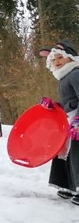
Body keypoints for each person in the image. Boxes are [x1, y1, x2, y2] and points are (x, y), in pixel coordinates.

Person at [39, 40, 79, 204]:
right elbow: (70, 101)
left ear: (71, 57)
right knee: (65, 152)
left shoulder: (76, 73)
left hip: (77, 121)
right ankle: (69, 186)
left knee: (77, 153)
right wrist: (55, 105)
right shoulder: (64, 77)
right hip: (69, 120)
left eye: (60, 57)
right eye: (54, 59)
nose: (57, 61)